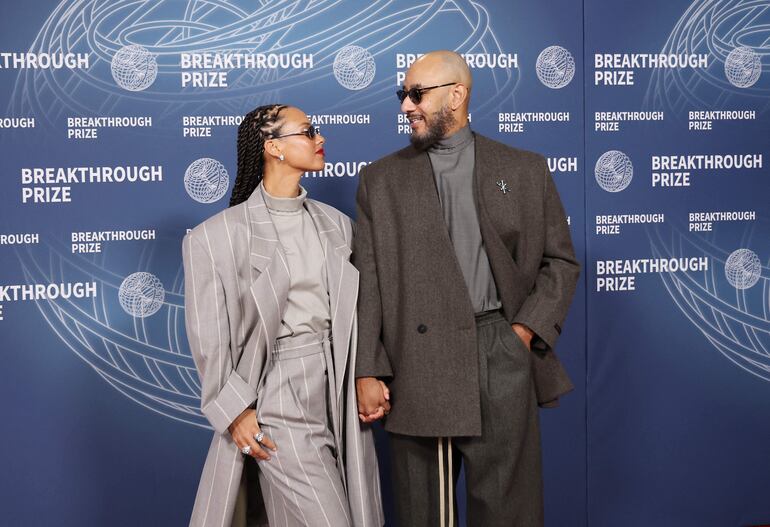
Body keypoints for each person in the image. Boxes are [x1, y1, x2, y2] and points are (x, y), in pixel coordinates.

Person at [354, 51, 580, 526]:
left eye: (417, 94)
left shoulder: (524, 169)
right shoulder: (381, 180)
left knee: (509, 509)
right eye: (403, 95)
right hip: (418, 361)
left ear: (456, 96)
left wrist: (522, 333)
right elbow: (368, 280)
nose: (406, 106)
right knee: (424, 514)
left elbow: (559, 262)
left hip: (500, 349)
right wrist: (368, 369)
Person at [183, 104, 383, 527]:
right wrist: (235, 411)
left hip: (338, 383)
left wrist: (369, 372)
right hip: (278, 391)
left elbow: (363, 309)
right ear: (273, 147)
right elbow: (209, 339)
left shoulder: (338, 225)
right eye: (308, 132)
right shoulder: (214, 238)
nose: (320, 138)